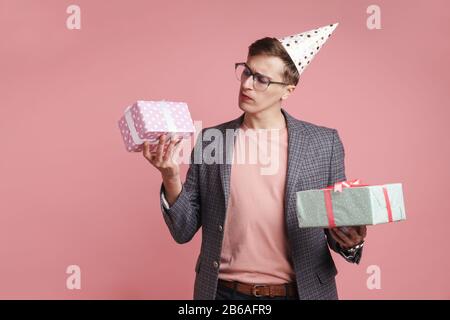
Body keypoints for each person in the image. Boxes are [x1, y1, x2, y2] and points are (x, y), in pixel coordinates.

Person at [143, 24, 366, 300]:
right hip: (224, 293)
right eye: (246, 71)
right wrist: (170, 177)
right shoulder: (212, 140)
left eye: (262, 79)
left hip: (301, 292)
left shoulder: (324, 143)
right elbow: (183, 230)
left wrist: (351, 241)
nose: (247, 84)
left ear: (287, 90)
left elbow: (338, 226)